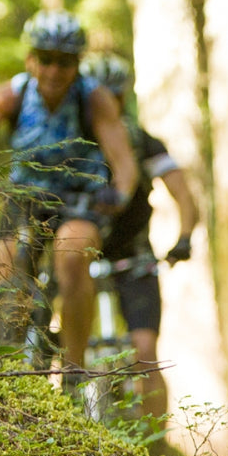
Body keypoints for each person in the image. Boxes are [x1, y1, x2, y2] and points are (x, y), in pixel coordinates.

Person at [0, 11, 138, 385]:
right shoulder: (9, 96)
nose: (53, 71)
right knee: (3, 265)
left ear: (77, 64)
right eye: (45, 59)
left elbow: (124, 161)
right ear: (31, 59)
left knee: (71, 253)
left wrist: (119, 192)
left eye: (64, 62)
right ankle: (3, 360)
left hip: (80, 199)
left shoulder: (93, 99)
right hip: (25, 197)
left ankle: (74, 370)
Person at [78, 52, 199, 423]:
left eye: (114, 95)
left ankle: (157, 447)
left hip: (133, 257)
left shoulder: (144, 143)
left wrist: (184, 235)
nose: (107, 104)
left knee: (145, 352)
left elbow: (183, 194)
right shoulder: (69, 144)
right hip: (79, 257)